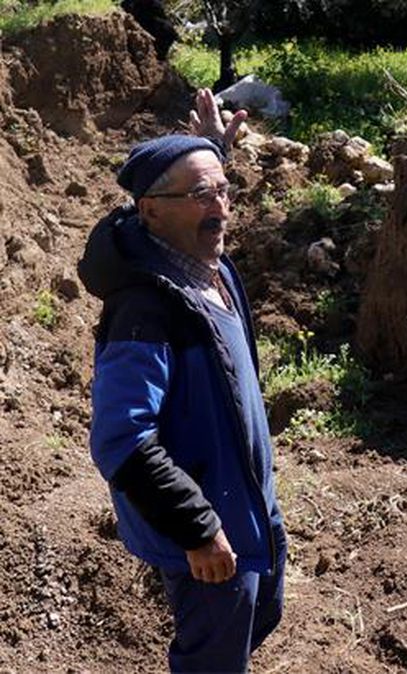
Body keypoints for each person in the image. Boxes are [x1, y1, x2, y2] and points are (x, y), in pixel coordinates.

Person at [78, 90, 282, 673]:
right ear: (150, 213)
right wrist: (197, 529)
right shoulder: (146, 310)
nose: (221, 208)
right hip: (208, 524)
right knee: (214, 658)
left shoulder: (205, 264)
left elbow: (201, 202)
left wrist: (210, 153)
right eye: (201, 195)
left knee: (260, 615)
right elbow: (122, 439)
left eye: (223, 189)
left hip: (248, 499)